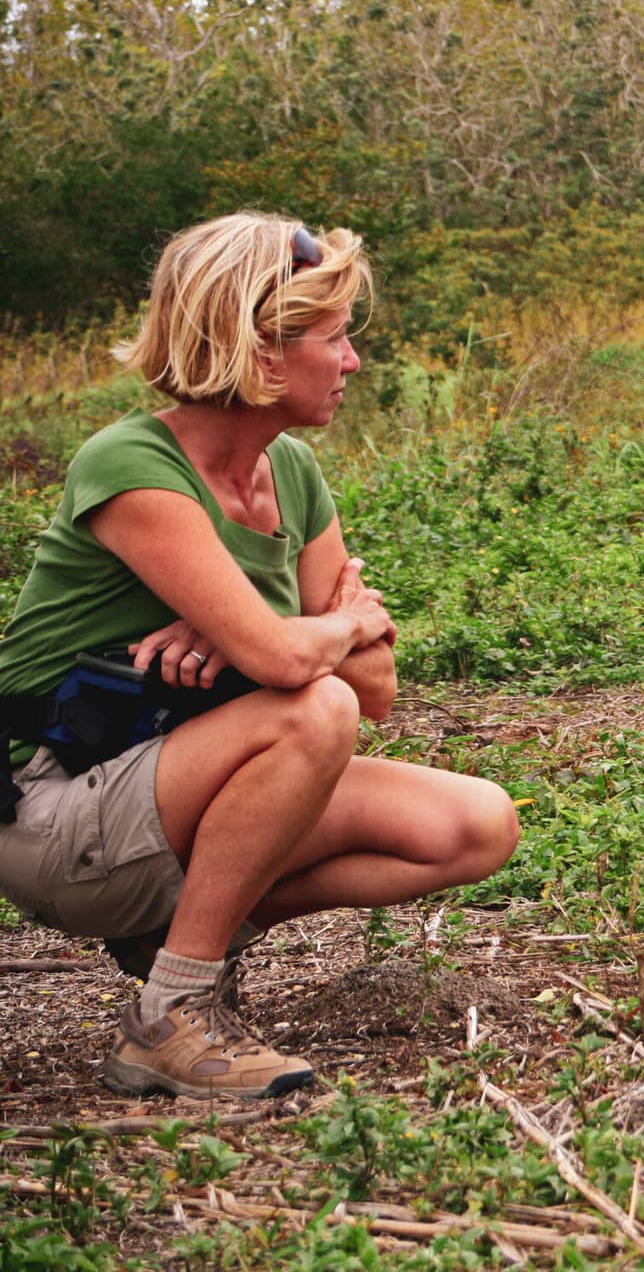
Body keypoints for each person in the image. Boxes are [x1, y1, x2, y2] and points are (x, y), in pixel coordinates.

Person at [0, 213, 519, 1101]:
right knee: (314, 710)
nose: (353, 360)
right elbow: (297, 669)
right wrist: (327, 626)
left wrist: (273, 636)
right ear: (260, 353)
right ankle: (171, 1013)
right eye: (333, 338)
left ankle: (170, 936)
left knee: (476, 823)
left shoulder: (293, 472)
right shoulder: (130, 464)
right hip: (49, 807)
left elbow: (379, 687)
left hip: (167, 788)